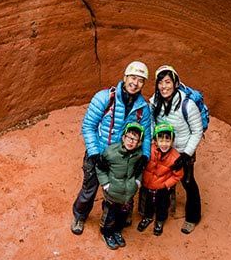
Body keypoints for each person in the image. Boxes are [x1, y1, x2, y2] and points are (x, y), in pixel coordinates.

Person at [72, 60, 153, 235]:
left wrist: (144, 156)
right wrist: (94, 153)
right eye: (132, 77)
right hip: (100, 152)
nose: (135, 83)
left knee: (125, 188)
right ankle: (80, 215)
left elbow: (146, 135)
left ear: (143, 84)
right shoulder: (104, 98)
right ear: (124, 77)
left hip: (124, 157)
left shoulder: (142, 109)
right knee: (90, 187)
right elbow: (88, 126)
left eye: (140, 80)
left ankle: (121, 217)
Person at [149, 65, 205, 234]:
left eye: (168, 82)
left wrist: (186, 154)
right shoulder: (154, 101)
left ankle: (193, 217)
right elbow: (152, 123)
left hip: (182, 151)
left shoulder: (187, 105)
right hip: (164, 149)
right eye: (160, 82)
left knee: (187, 181)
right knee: (165, 179)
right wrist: (155, 144)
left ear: (175, 83)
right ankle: (166, 209)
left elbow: (197, 131)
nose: (164, 86)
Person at [95, 123, 146, 250]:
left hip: (128, 193)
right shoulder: (111, 152)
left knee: (123, 214)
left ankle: (117, 230)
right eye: (129, 137)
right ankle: (107, 233)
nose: (131, 141)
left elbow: (140, 170)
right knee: (109, 214)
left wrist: (137, 183)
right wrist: (106, 184)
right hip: (113, 192)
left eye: (135, 139)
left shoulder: (138, 155)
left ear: (139, 142)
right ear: (123, 137)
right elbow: (100, 168)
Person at [137, 121, 183, 237]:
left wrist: (166, 185)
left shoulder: (175, 157)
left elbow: (178, 175)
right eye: (161, 140)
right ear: (155, 141)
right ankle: (147, 217)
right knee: (147, 203)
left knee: (162, 205)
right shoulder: (150, 151)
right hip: (147, 185)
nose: (164, 144)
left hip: (162, 188)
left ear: (172, 141)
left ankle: (160, 221)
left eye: (167, 140)